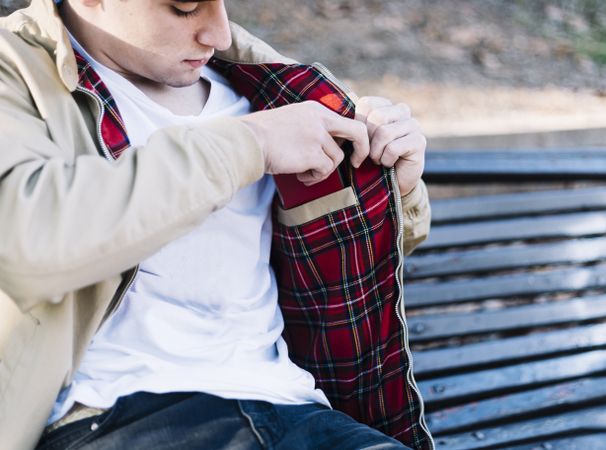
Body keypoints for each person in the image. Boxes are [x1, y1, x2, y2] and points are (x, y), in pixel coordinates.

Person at [0, 0, 433, 449]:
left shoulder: (274, 86)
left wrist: (395, 188)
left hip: (294, 404)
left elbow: (350, 260)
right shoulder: (15, 69)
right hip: (113, 413)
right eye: (185, 8)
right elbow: (30, 241)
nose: (219, 33)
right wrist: (249, 145)